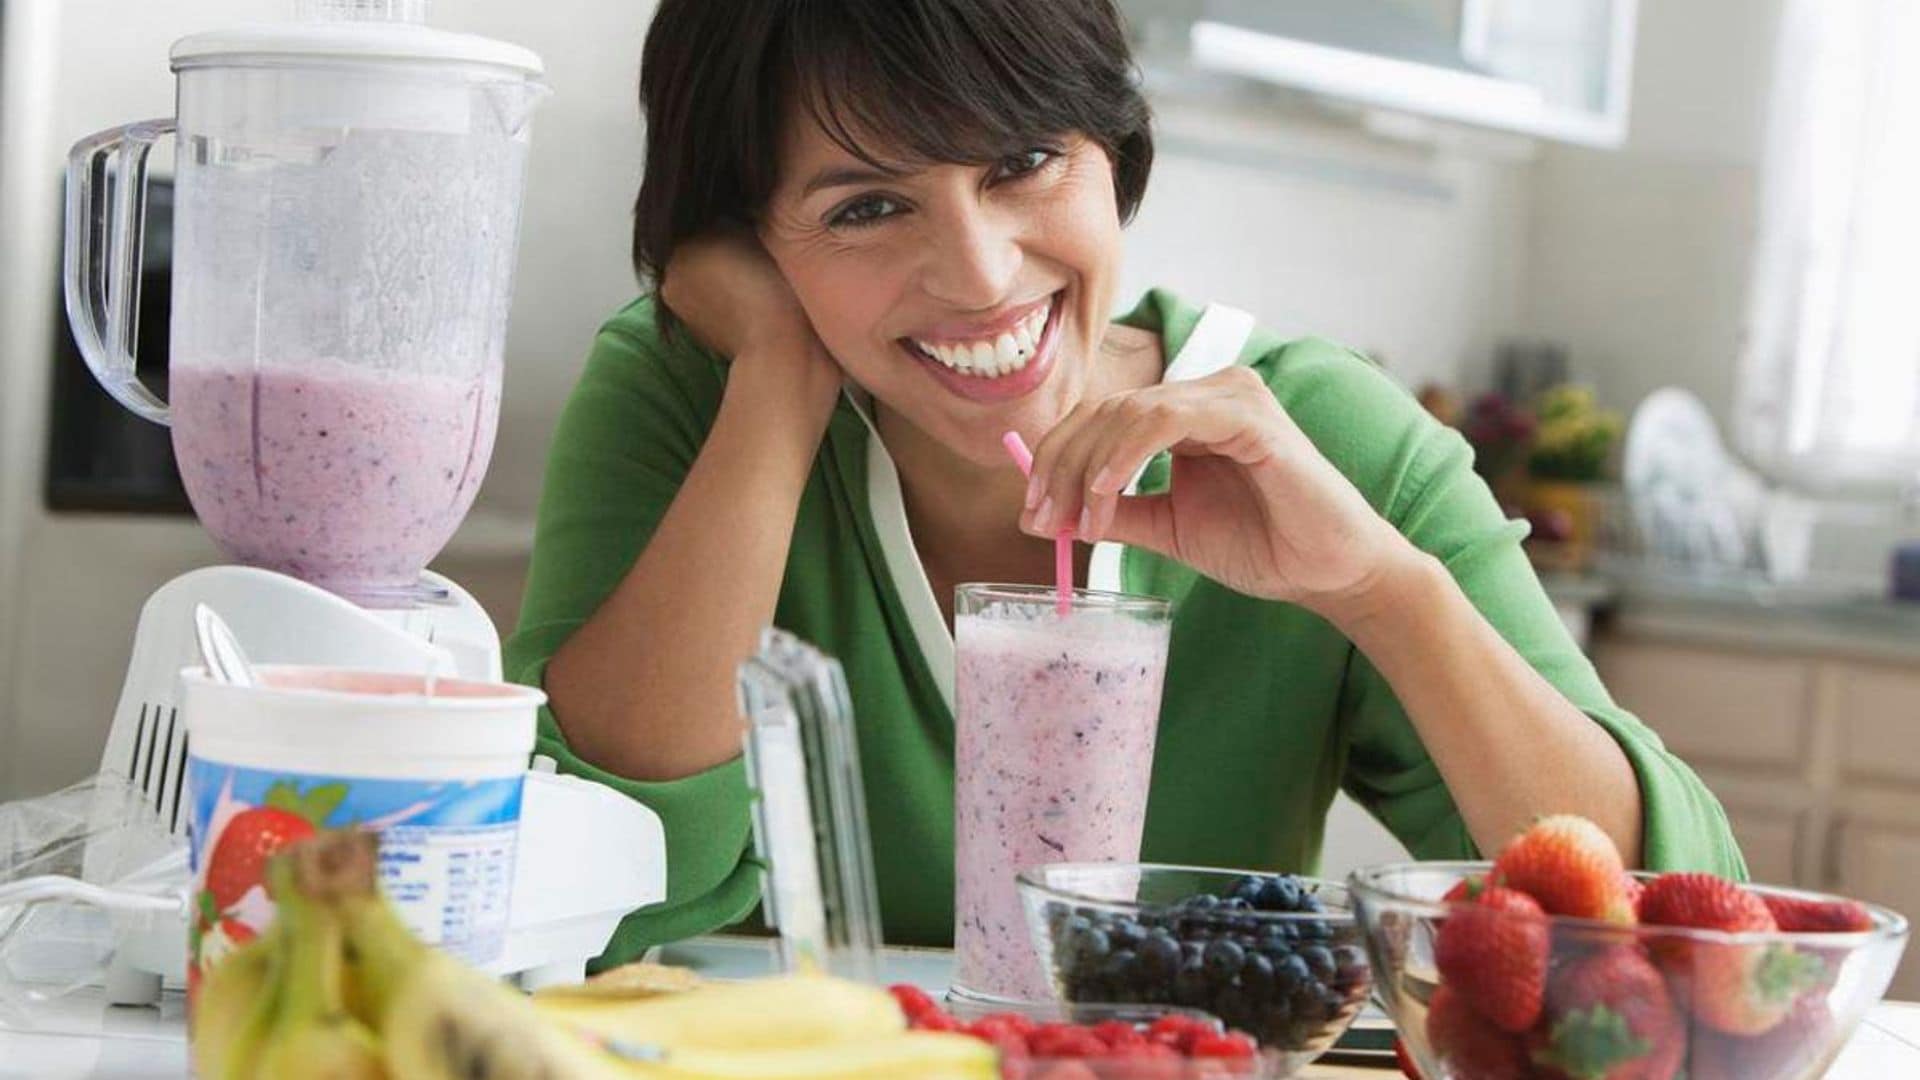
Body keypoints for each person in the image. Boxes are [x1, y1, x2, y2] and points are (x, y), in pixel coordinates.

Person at [505, 0, 1742, 967]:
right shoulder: (684, 397)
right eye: (867, 207)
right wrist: (775, 385)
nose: (982, 275)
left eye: (1026, 160)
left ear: (1115, 152)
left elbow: (1648, 938)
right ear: (747, 240)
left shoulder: (1322, 439)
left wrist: (1383, 594)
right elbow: (595, 894)